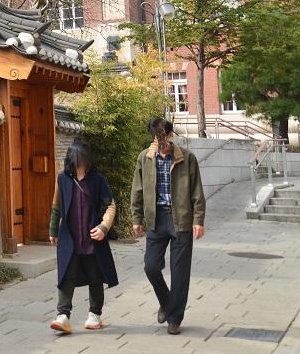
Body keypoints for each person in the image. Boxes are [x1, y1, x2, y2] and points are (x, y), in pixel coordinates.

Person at [130, 117, 206, 335]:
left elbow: (197, 192)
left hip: (181, 220)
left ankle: (175, 318)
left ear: (171, 135)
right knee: (151, 267)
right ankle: (166, 301)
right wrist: (137, 218)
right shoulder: (144, 158)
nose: (160, 142)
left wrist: (198, 220)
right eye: (156, 138)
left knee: (180, 273)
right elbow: (137, 190)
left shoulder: (187, 158)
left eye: (163, 137)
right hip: (156, 220)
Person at [48, 139, 118, 335]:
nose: (78, 161)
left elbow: (110, 205)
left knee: (95, 276)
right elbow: (56, 205)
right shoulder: (62, 178)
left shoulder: (98, 179)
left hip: (92, 237)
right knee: (65, 276)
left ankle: (94, 314)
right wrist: (53, 230)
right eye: (75, 157)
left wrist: (104, 227)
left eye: (81, 157)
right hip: (69, 237)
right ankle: (63, 316)